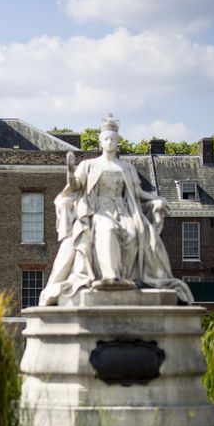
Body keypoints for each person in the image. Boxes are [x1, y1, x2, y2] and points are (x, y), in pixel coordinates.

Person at [40, 114, 194, 306]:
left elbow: (137, 193)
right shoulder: (89, 165)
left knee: (133, 233)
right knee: (108, 230)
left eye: (113, 138)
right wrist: (70, 171)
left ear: (118, 142)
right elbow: (75, 187)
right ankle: (110, 278)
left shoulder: (126, 168)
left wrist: (157, 199)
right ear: (101, 142)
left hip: (124, 210)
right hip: (98, 211)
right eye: (106, 138)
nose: (110, 142)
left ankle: (127, 278)